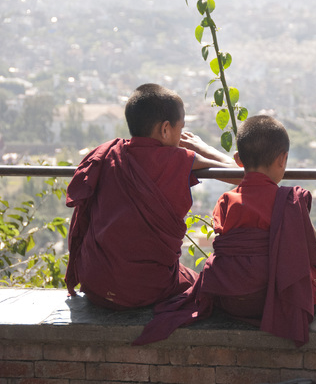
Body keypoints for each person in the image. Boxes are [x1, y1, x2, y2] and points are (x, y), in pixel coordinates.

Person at [133, 115, 316, 347]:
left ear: (237, 160)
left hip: (231, 298)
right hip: (273, 296)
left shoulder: (226, 200)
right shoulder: (289, 201)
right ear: (283, 160)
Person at [65, 83, 237, 310]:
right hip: (147, 289)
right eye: (180, 128)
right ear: (165, 129)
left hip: (96, 284)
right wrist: (201, 147)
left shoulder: (109, 154)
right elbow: (241, 175)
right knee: (204, 288)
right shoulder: (178, 159)